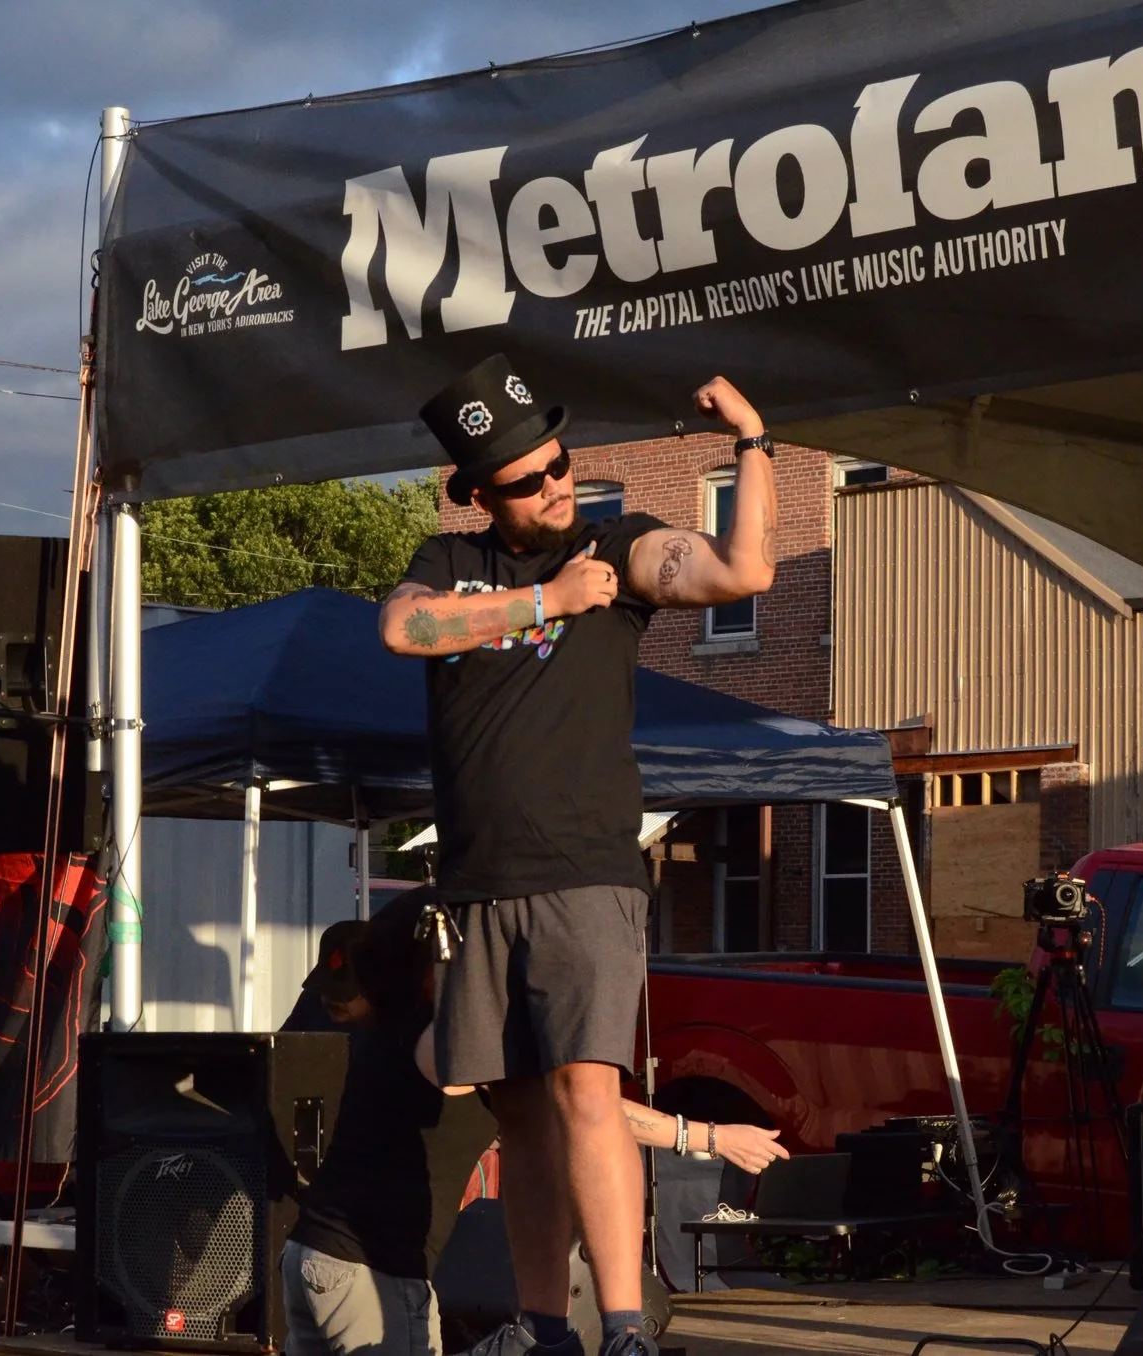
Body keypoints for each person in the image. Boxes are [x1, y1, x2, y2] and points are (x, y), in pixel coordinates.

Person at [380, 355, 777, 1356]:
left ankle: (626, 1328)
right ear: (477, 496)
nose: (555, 484)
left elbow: (745, 574)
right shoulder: (450, 563)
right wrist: (545, 603)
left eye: (558, 463)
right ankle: (544, 1325)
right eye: (526, 478)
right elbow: (402, 630)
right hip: (477, 885)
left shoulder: (617, 546)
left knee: (586, 1093)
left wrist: (753, 445)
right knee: (519, 1121)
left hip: (585, 875)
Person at [281, 888, 785, 1356]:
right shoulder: (447, 1043)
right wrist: (710, 1137)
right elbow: (582, 1109)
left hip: (312, 1252)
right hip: (372, 1271)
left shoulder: (390, 1030)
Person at [281, 920, 371, 1033]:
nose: (333, 1000)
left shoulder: (395, 1033)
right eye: (325, 988)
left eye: (343, 993)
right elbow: (277, 1048)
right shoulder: (313, 1002)